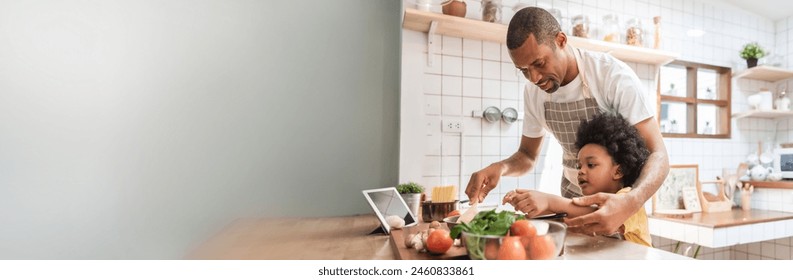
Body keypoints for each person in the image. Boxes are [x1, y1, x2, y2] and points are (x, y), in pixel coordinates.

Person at [464, 7, 669, 236]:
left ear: (561, 40)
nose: (534, 78)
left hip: (619, 206)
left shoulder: (611, 77)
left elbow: (658, 154)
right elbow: (527, 156)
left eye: (539, 63)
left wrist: (631, 201)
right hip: (570, 204)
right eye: (523, 70)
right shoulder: (533, 93)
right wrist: (500, 168)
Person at [502, 113, 652, 246]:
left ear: (618, 170)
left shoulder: (629, 199)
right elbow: (568, 216)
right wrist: (529, 202)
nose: (580, 172)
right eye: (579, 166)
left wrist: (548, 201)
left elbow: (595, 214)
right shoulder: (589, 201)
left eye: (591, 165)